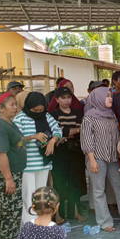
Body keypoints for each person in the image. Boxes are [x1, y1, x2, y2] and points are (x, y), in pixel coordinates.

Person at [81, 87, 120, 231]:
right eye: (107, 96)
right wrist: (91, 160)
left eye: (110, 96)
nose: (110, 98)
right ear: (98, 98)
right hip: (97, 158)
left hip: (112, 158)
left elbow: (117, 137)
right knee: (99, 191)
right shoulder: (89, 117)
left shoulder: (111, 115)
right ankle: (105, 222)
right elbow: (86, 140)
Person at [14, 92, 62, 224]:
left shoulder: (46, 116)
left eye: (41, 110)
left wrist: (52, 141)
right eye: (35, 110)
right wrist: (32, 137)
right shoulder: (20, 119)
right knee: (28, 197)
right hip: (27, 166)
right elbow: (16, 143)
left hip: (44, 163)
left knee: (40, 198)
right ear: (28, 106)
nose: (39, 113)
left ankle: (40, 224)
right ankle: (29, 227)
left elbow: (58, 130)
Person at [0, 92, 26, 239]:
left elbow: (18, 142)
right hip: (6, 174)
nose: (15, 107)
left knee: (15, 207)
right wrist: (8, 179)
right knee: (9, 208)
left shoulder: (10, 123)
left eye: (15, 104)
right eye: (11, 104)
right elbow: (0, 154)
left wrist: (33, 138)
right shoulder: (0, 126)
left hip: (15, 173)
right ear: (1, 108)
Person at [49, 86, 86, 223]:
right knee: (59, 183)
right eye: (63, 98)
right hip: (59, 152)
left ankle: (75, 212)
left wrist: (66, 132)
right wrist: (73, 131)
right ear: (57, 99)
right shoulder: (53, 114)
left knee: (74, 182)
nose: (66, 100)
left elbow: (80, 130)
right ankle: (58, 214)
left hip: (75, 151)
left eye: (68, 97)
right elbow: (59, 132)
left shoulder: (77, 112)